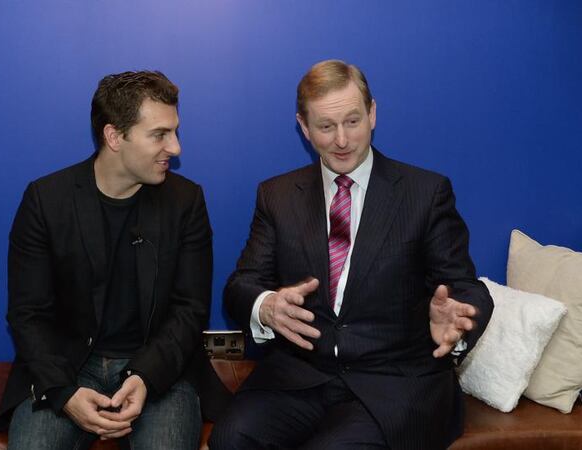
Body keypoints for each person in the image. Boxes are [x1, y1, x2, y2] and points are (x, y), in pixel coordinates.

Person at [209, 60, 494, 450]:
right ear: (304, 127)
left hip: (394, 384)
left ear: (373, 113)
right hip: (300, 379)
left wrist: (458, 320)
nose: (342, 140)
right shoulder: (276, 196)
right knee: (230, 439)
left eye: (353, 121)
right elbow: (240, 286)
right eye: (326, 127)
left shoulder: (425, 194)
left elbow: (465, 286)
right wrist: (267, 306)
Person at [0, 70, 228, 449]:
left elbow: (190, 309)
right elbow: (27, 314)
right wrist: (65, 393)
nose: (176, 148)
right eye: (159, 135)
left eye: (175, 131)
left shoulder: (186, 202)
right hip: (68, 365)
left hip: (159, 366)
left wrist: (145, 377)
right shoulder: (46, 201)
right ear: (114, 136)